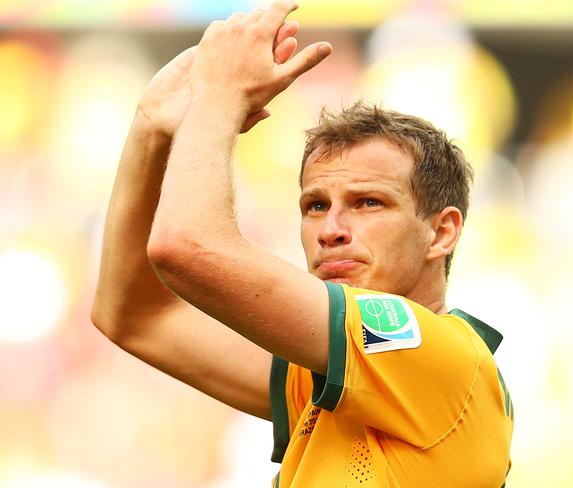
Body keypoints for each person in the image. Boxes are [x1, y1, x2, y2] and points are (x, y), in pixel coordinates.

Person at [92, 1, 513, 486]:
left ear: (441, 232)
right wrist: (151, 126)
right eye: (315, 205)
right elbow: (133, 315)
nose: (330, 228)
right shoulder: (328, 377)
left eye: (369, 202)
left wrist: (219, 98)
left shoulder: (437, 356)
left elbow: (184, 246)